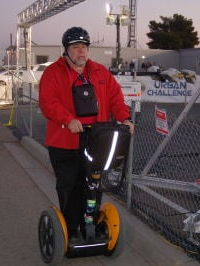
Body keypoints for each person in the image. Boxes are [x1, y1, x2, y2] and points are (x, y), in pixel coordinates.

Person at [39, 26, 134, 242]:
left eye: (83, 46)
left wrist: (124, 118)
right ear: (66, 50)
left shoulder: (100, 72)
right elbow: (48, 102)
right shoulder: (53, 73)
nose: (80, 51)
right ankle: (71, 229)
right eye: (75, 47)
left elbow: (115, 98)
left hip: (96, 141)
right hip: (65, 142)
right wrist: (68, 120)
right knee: (69, 186)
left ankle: (89, 224)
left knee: (93, 184)